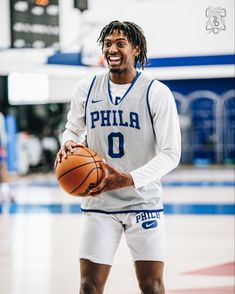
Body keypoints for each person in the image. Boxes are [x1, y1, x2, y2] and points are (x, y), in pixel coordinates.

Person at [55, 20, 181, 294]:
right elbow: (72, 129)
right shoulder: (86, 89)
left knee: (151, 285)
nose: (112, 49)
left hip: (143, 202)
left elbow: (171, 154)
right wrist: (68, 144)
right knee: (89, 286)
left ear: (136, 49)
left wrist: (129, 179)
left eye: (120, 44)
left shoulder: (156, 92)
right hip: (100, 200)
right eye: (108, 44)